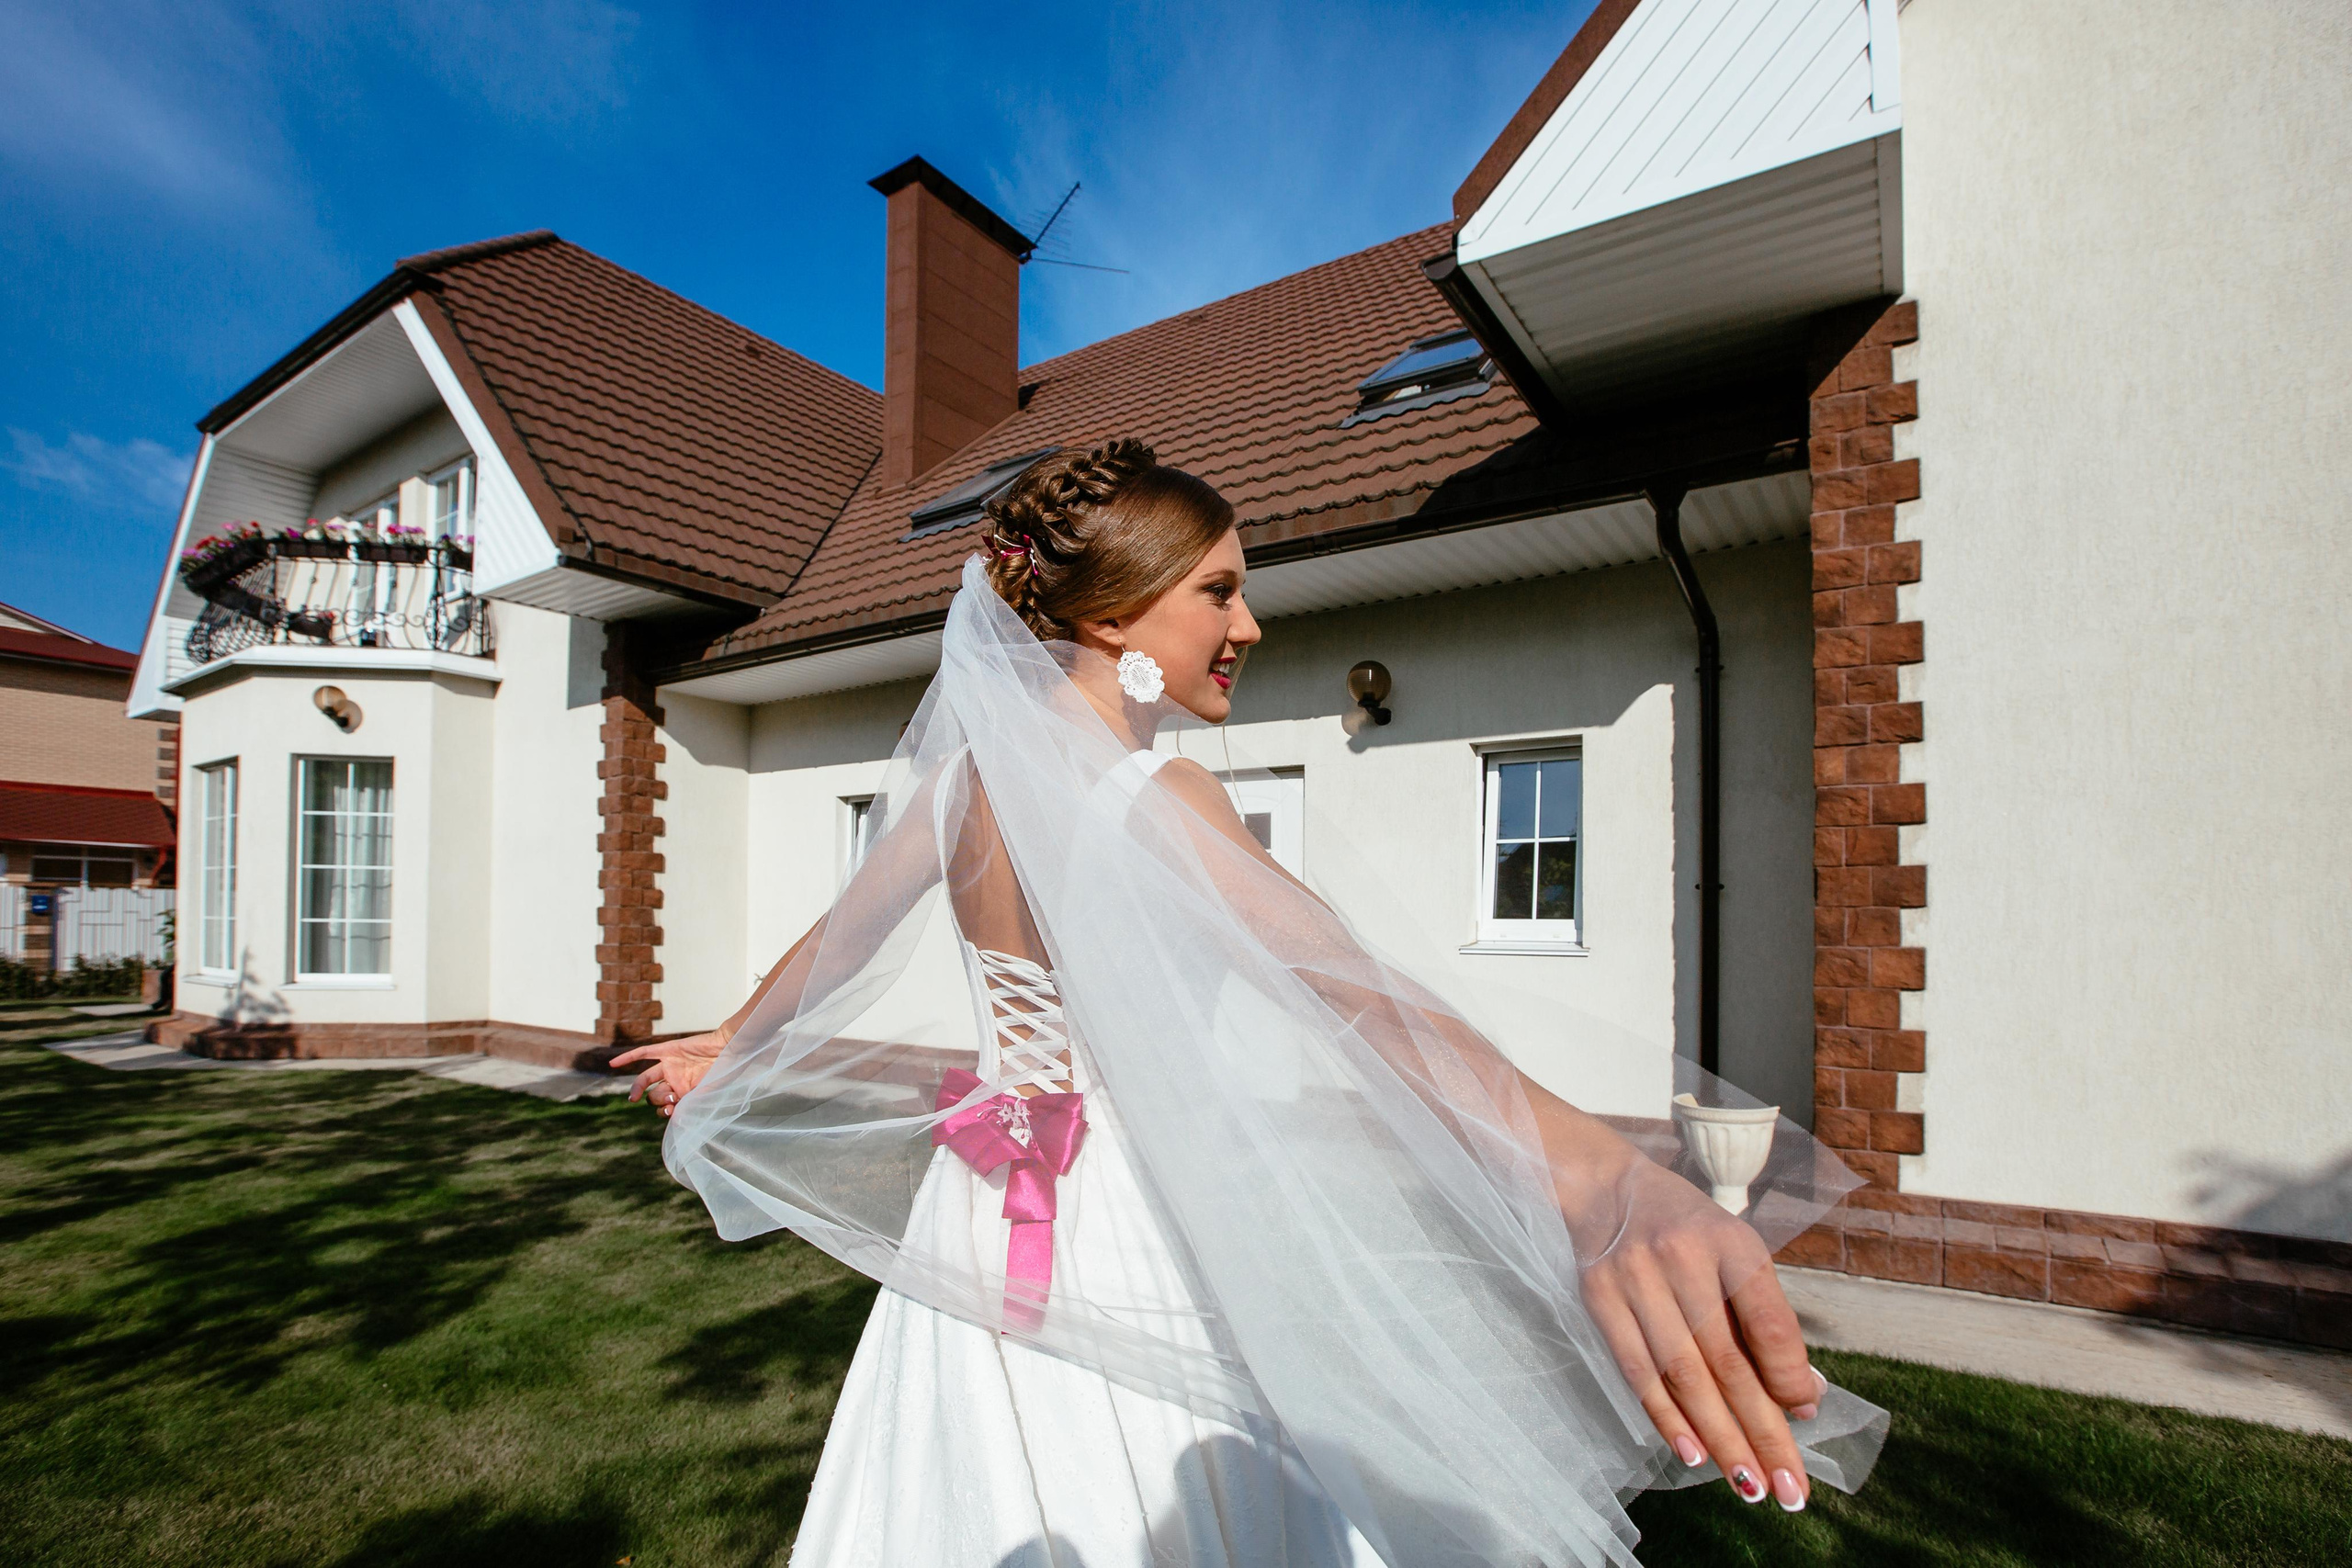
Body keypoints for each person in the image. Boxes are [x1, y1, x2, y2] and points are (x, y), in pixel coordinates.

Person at [617, 440, 1883, 1567]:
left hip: (974, 1208)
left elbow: (833, 946)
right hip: (1131, 1216)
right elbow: (1353, 992)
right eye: (1219, 590)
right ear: (1114, 615)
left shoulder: (957, 789)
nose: (1250, 624)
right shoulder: (1152, 793)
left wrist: (730, 1041)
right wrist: (1594, 1173)